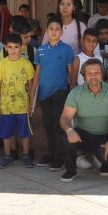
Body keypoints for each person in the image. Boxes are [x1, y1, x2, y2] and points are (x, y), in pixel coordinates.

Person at [59, 58, 108, 182]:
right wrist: (69, 130)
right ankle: (70, 170)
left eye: (97, 73)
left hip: (105, 136)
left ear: (102, 74)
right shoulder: (75, 92)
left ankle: (105, 165)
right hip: (84, 135)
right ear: (84, 76)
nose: (93, 76)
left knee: (107, 158)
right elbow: (65, 118)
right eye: (89, 73)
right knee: (66, 137)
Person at [34, 16, 76, 170]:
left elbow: (71, 73)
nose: (54, 32)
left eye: (57, 29)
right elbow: (37, 74)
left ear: (61, 32)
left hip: (60, 91)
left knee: (59, 125)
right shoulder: (41, 50)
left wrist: (71, 92)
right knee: (48, 125)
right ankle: (51, 153)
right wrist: (33, 94)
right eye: (51, 29)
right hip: (44, 93)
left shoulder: (67, 49)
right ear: (47, 31)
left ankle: (60, 157)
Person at [0, 33, 35, 169]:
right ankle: (7, 156)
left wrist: (31, 104)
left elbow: (31, 85)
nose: (13, 50)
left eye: (16, 47)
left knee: (24, 133)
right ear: (5, 48)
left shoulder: (27, 64)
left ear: (21, 47)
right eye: (10, 47)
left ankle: (26, 155)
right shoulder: (1, 64)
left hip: (23, 106)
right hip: (6, 106)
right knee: (6, 133)